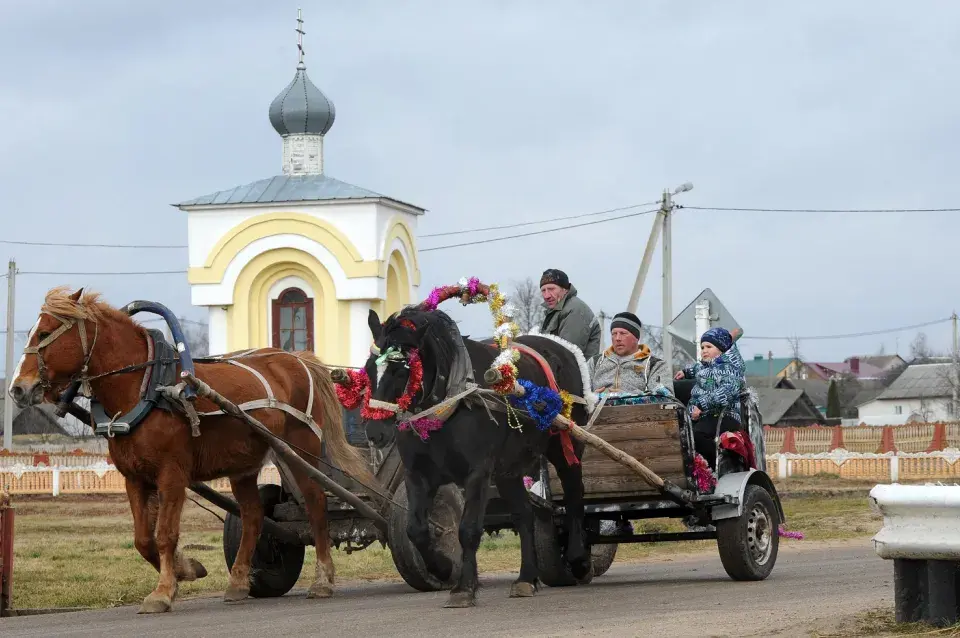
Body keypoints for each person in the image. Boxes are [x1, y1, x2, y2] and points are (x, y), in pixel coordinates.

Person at [674, 326, 745, 470]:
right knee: (681, 435)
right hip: (705, 414)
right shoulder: (705, 366)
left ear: (721, 349)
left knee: (697, 436)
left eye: (709, 346)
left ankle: (711, 466)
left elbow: (727, 392)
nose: (704, 350)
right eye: (702, 347)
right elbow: (696, 369)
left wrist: (702, 404)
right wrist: (685, 373)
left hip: (724, 414)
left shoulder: (728, 369)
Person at [588, 311, 673, 398]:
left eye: (623, 333)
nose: (617, 338)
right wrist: (591, 397)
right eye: (614, 334)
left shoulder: (655, 365)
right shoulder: (595, 362)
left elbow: (665, 397)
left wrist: (629, 397)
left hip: (638, 411)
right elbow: (577, 394)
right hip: (597, 410)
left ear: (636, 337)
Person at [538, 268, 601, 359]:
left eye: (551, 289)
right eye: (543, 290)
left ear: (565, 289)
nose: (546, 296)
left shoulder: (575, 310)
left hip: (575, 372)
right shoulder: (556, 311)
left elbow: (566, 354)